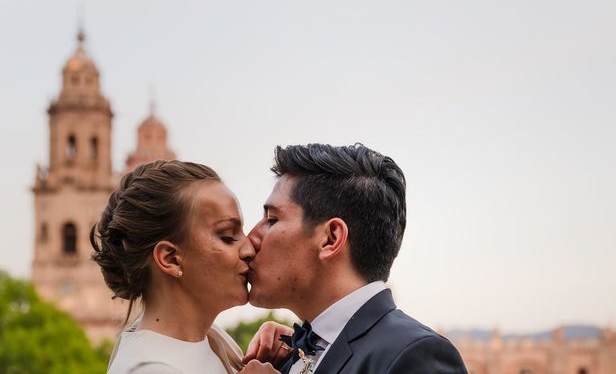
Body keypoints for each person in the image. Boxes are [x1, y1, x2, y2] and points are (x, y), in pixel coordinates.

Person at [243, 143, 468, 374]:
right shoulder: (286, 356)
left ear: (330, 238)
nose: (249, 240)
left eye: (272, 220)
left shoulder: (415, 356)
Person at [91, 160, 280, 374]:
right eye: (227, 236)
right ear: (170, 258)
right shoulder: (151, 369)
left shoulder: (209, 338)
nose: (249, 249)